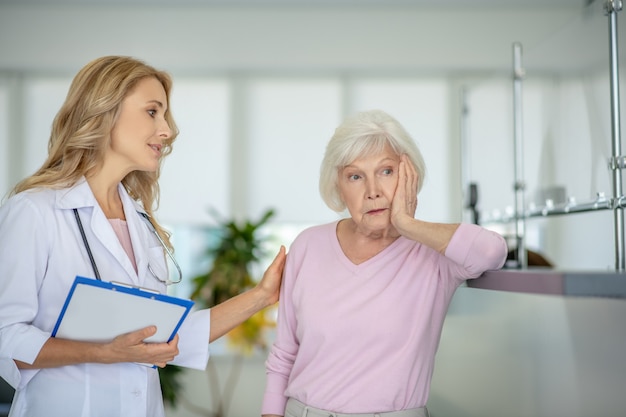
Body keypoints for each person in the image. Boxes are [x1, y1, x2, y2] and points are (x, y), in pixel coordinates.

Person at [0, 55, 286, 417]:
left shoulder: (139, 220)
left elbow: (165, 335)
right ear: (105, 111)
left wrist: (263, 296)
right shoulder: (35, 211)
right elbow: (5, 338)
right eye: (153, 112)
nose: (167, 131)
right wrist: (103, 353)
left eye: (164, 115)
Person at [261, 109, 508, 417]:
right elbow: (285, 352)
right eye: (355, 176)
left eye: (386, 171)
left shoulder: (434, 255)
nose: (373, 191)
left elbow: (492, 251)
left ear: (409, 176)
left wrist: (407, 223)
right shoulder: (308, 245)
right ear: (339, 187)